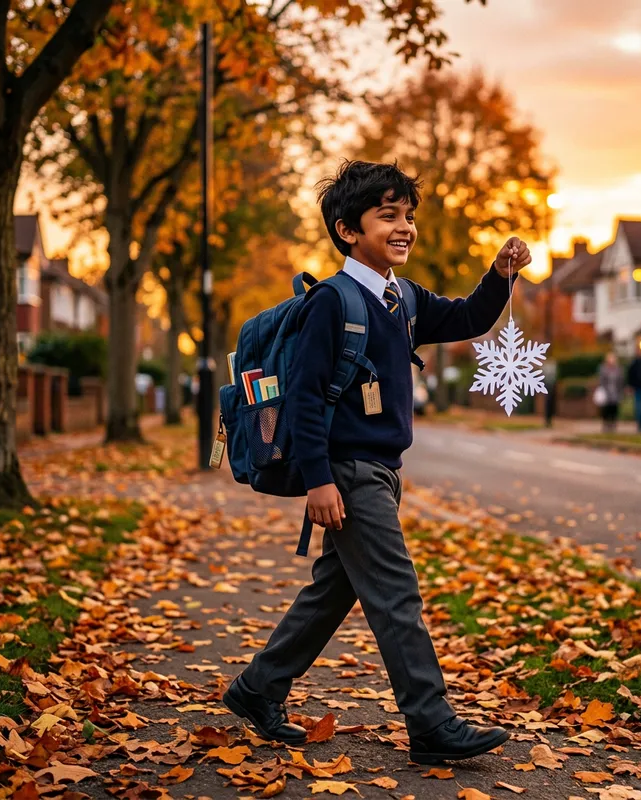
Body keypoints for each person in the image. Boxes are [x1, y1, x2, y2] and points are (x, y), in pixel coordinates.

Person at [222, 160, 532, 764]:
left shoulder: (403, 298)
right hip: (349, 472)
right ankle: (431, 723)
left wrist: (499, 275)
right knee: (396, 595)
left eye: (408, 216)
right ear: (348, 230)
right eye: (388, 215)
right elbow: (305, 397)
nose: (404, 227)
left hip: (383, 473)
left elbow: (467, 317)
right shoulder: (332, 302)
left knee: (332, 593)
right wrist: (318, 480)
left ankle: (257, 688)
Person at [598, 352, 624, 432]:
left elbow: (621, 381)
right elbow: (601, 380)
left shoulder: (618, 369)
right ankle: (606, 424)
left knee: (614, 409)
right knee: (606, 409)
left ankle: (613, 424)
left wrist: (621, 391)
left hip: (615, 392)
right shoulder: (603, 369)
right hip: (606, 392)